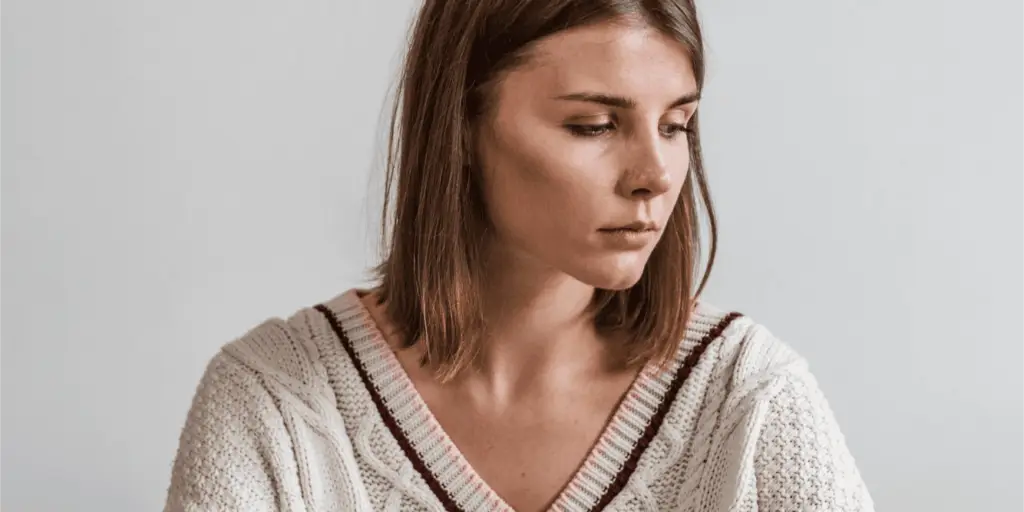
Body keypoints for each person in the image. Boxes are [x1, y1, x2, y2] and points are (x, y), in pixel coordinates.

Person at [165, 0, 873, 510]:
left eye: (676, 125)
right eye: (594, 125)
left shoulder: (749, 400)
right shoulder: (273, 405)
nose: (656, 175)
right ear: (463, 125)